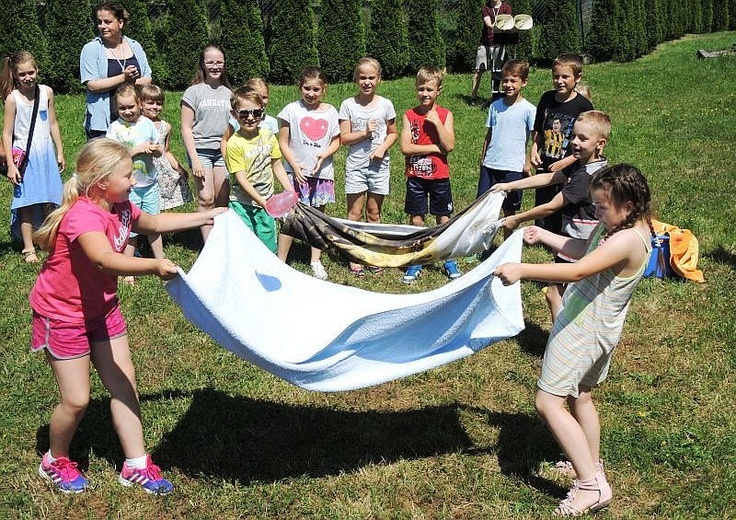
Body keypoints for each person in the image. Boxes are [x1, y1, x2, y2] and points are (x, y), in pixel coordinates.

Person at [30, 139, 226, 494]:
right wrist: (153, 265)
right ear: (102, 181)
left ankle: (135, 464)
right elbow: (104, 259)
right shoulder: (84, 216)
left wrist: (209, 215)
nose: (133, 181)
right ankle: (54, 459)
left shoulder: (120, 204)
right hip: (63, 314)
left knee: (124, 384)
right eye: (127, 175)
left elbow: (152, 222)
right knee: (77, 400)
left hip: (102, 308)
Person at [494, 164, 654, 516]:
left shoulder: (627, 238)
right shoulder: (621, 226)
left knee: (548, 403)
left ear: (627, 206)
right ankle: (589, 463)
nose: (595, 212)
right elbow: (585, 249)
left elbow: (577, 271)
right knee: (580, 396)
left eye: (601, 207)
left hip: (583, 330)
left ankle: (590, 486)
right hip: (596, 328)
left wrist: (523, 270)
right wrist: (545, 236)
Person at [493, 110, 611, 321]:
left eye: (583, 138)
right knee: (563, 293)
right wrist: (510, 185)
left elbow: (550, 207)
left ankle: (561, 337)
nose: (575, 142)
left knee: (555, 293)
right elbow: (549, 178)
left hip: (578, 242)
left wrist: (517, 218)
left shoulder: (585, 177)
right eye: (574, 136)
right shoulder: (586, 163)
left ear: (600, 143)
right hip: (580, 240)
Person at [276, 67, 340, 280]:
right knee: (290, 217)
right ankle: (281, 261)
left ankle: (315, 260)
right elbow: (283, 142)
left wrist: (324, 156)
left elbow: (336, 140)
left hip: (321, 175)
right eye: (307, 88)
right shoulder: (291, 110)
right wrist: (294, 166)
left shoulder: (331, 112)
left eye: (316, 89)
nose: (311, 93)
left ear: (324, 90)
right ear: (299, 87)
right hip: (296, 174)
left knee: (317, 218)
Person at [1, 51, 64, 263]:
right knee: (27, 203)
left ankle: (47, 239)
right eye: (22, 74)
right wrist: (11, 164)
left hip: (46, 153)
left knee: (50, 200)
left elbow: (53, 123)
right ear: (14, 75)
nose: (28, 77)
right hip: (26, 158)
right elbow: (7, 133)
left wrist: (60, 151)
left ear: (37, 70)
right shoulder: (13, 99)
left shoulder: (46, 92)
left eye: (31, 72)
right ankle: (28, 248)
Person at [400, 67, 461, 283]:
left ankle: (447, 258)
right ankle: (417, 258)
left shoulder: (445, 115)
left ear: (439, 90)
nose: (425, 93)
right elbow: (406, 147)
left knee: (443, 218)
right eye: (421, 89)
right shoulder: (410, 115)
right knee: (416, 218)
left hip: (439, 177)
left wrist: (436, 122)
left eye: (429, 89)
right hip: (416, 176)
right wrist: (435, 149)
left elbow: (450, 145)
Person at [338, 57, 398, 277]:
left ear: (378, 79)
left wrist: (382, 147)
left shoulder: (385, 105)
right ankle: (354, 254)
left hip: (379, 167)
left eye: (371, 77)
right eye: (362, 77)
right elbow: (344, 138)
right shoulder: (348, 105)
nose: (367, 82)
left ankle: (373, 254)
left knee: (374, 213)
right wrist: (364, 133)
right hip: (356, 166)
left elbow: (393, 133)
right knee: (354, 213)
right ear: (356, 79)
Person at [225, 87, 294, 252]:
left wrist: (290, 190)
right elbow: (241, 179)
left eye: (256, 113)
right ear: (234, 114)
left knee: (268, 246)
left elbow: (277, 165)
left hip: (267, 202)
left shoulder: (268, 135)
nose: (250, 118)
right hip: (242, 204)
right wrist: (261, 201)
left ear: (262, 112)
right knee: (244, 247)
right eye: (244, 113)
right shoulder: (234, 144)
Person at [530, 54, 594, 235]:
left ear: (577, 78)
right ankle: (541, 232)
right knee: (543, 198)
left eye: (565, 77)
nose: (559, 81)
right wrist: (534, 148)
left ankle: (560, 234)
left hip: (569, 165)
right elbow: (539, 129)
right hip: (546, 160)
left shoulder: (583, 106)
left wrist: (567, 161)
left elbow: (587, 141)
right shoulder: (546, 99)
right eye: (555, 76)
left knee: (563, 200)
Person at [105, 84, 164, 277]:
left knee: (154, 224)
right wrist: (137, 150)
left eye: (131, 106)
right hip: (127, 188)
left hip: (150, 183)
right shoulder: (115, 129)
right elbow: (113, 158)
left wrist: (155, 150)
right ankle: (128, 268)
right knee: (130, 228)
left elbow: (160, 150)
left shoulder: (147, 124)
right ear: (116, 108)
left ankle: (160, 261)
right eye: (122, 108)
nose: (127, 111)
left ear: (139, 103)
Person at [477, 59, 535, 242]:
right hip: (491, 164)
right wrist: (483, 156)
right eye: (505, 80)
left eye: (513, 80)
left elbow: (535, 139)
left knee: (509, 209)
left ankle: (506, 244)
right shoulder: (495, 106)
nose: (508, 85)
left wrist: (527, 162)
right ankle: (481, 243)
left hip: (513, 167)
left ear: (523, 82)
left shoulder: (529, 110)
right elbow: (490, 133)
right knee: (485, 207)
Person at [181, 43, 232, 243]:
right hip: (201, 151)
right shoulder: (193, 92)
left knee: (222, 198)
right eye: (210, 62)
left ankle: (221, 240)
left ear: (224, 64)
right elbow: (186, 127)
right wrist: (194, 159)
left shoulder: (229, 93)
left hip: (222, 151)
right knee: (206, 198)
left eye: (219, 62)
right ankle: (209, 245)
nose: (215, 66)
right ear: (203, 64)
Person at [80, 2, 151, 140]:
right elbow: (92, 85)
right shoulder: (91, 49)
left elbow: (148, 78)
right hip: (103, 123)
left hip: (134, 119)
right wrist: (124, 78)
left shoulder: (135, 46)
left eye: (107, 22)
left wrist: (132, 82)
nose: (102, 26)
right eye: (99, 22)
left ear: (120, 23)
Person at [138, 84, 192, 212]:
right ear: (140, 104)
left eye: (158, 103)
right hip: (142, 167)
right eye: (150, 103)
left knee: (158, 204)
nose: (154, 107)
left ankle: (159, 227)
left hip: (161, 169)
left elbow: (166, 151)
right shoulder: (136, 124)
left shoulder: (165, 126)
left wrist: (179, 168)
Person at [221, 77, 279, 157]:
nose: (261, 101)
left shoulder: (272, 122)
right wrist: (227, 160)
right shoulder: (237, 120)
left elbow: (273, 147)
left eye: (264, 97)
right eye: (257, 96)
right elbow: (225, 140)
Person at [470, 0, 512, 105]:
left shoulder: (506, 8)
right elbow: (488, 23)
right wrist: (494, 26)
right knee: (478, 70)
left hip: (499, 43)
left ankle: (495, 96)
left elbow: (509, 22)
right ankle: (473, 97)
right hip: (485, 43)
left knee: (497, 71)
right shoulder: (486, 8)